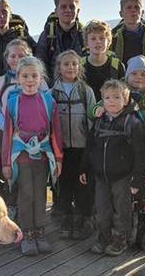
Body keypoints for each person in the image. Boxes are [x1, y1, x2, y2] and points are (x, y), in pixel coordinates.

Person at [92, 55, 145, 251]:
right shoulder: (119, 94)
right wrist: (96, 110)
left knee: (144, 196)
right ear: (127, 75)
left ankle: (144, 232)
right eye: (134, 73)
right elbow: (101, 106)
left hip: (144, 154)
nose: (138, 77)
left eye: (143, 74)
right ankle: (120, 235)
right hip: (123, 156)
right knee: (122, 200)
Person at [79, 80, 145, 256]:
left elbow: (141, 154)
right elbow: (90, 146)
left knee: (122, 210)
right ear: (102, 100)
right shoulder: (99, 121)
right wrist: (84, 168)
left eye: (117, 97)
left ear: (125, 100)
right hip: (101, 176)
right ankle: (104, 237)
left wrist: (137, 179)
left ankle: (120, 239)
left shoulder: (132, 123)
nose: (111, 101)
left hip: (123, 177)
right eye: (107, 97)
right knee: (102, 209)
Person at [2, 56, 63, 256]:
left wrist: (59, 158)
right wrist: (6, 163)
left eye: (34, 75)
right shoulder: (12, 102)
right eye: (25, 76)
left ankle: (40, 232)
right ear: (18, 78)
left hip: (44, 154)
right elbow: (7, 135)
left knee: (40, 194)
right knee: (26, 193)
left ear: (41, 78)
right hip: (21, 155)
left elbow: (56, 132)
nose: (30, 80)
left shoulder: (48, 101)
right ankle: (27, 234)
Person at [0, 39, 48, 220]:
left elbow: (46, 105)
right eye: (12, 56)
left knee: (29, 174)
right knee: (8, 171)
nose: (16, 59)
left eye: (21, 55)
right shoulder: (1, 81)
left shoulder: (39, 80)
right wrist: (7, 127)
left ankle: (28, 211)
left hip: (33, 138)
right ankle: (9, 206)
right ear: (7, 59)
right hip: (8, 135)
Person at [48, 50, 95, 240]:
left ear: (79, 67)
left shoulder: (86, 91)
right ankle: (66, 220)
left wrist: (92, 144)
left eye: (74, 64)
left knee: (83, 185)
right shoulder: (52, 92)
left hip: (82, 147)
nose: (70, 67)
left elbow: (92, 119)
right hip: (61, 149)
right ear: (59, 68)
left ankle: (85, 220)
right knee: (64, 185)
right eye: (66, 64)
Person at [35, 0, 85, 78]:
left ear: (78, 11)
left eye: (72, 6)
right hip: (53, 88)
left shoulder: (85, 36)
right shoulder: (48, 35)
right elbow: (40, 63)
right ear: (56, 11)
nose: (68, 10)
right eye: (63, 6)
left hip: (80, 88)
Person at [82, 20, 125, 99]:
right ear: (86, 43)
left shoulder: (117, 66)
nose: (98, 42)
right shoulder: (80, 65)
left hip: (111, 109)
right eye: (93, 39)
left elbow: (124, 93)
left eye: (102, 38)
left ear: (108, 41)